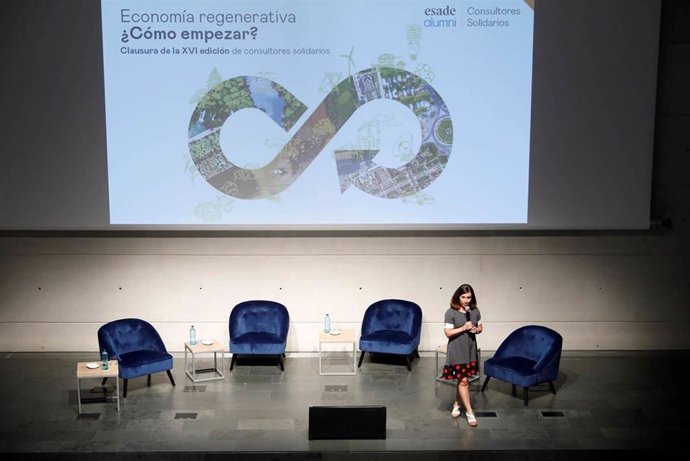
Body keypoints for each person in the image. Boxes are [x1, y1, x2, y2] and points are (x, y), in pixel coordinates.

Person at [442, 283, 483, 427]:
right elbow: (447, 333)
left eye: (469, 297)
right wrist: (463, 328)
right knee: (464, 380)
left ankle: (457, 403)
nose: (466, 300)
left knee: (462, 380)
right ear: (457, 296)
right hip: (457, 349)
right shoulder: (450, 312)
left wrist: (476, 330)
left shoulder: (474, 311)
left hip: (470, 348)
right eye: (463, 297)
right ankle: (470, 412)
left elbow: (480, 326)